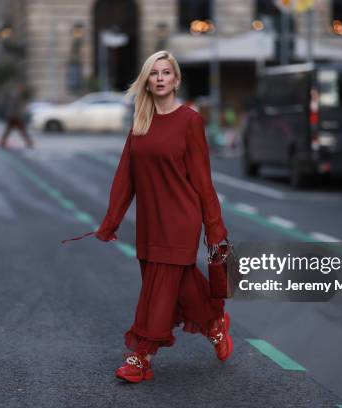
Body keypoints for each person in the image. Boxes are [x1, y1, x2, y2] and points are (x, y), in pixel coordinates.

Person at [95, 50, 233, 383]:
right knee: (181, 288)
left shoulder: (190, 121)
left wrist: (214, 227)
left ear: (176, 79)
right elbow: (125, 176)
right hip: (150, 222)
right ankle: (214, 324)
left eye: (165, 72)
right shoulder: (140, 122)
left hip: (180, 221)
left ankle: (140, 357)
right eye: (153, 73)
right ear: (147, 80)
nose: (159, 78)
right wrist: (111, 221)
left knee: (157, 290)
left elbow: (202, 179)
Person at [0, 82, 34, 148]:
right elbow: (14, 106)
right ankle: (29, 142)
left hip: (14, 116)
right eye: (21, 88)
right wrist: (16, 115)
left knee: (11, 130)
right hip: (15, 116)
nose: (22, 89)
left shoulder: (16, 95)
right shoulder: (16, 95)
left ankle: (2, 142)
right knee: (20, 130)